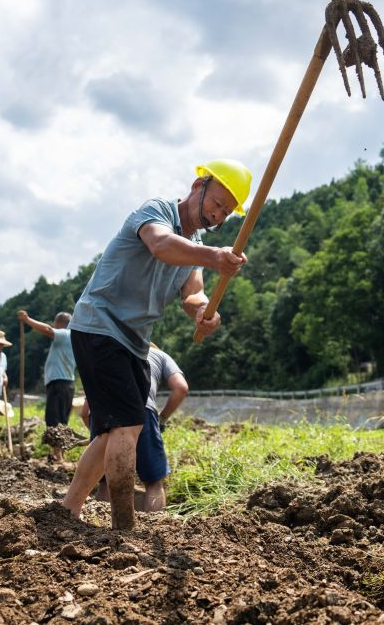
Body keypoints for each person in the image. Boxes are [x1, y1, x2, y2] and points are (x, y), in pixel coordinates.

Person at [62, 159, 250, 529]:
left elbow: (192, 294)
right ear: (198, 186)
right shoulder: (156, 212)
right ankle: (123, 523)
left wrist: (202, 313)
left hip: (135, 342)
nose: (218, 215)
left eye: (227, 212)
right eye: (216, 203)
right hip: (100, 324)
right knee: (130, 424)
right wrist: (215, 257)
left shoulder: (195, 247)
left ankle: (68, 508)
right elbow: (161, 244)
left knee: (111, 430)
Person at [88, 344, 188, 512]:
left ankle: (101, 526)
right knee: (154, 482)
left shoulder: (112, 349)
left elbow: (85, 412)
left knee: (104, 479)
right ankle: (156, 527)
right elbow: (181, 388)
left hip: (103, 410)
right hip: (142, 411)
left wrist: (99, 431)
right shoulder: (160, 355)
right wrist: (161, 418)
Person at [17, 309, 76, 462]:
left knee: (54, 419)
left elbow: (48, 330)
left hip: (59, 384)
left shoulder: (65, 334)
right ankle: (59, 454)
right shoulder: (74, 338)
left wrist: (28, 320)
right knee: (62, 420)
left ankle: (57, 454)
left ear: (59, 324)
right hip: (66, 383)